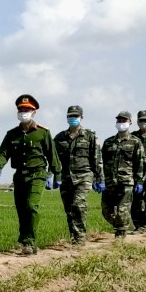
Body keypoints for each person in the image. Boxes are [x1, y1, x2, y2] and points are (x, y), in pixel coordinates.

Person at [0, 94, 60, 255]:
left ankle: (30, 242)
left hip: (37, 174)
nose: (24, 112)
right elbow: (3, 152)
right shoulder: (12, 134)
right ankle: (24, 241)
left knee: (31, 206)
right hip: (20, 176)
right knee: (21, 209)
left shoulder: (42, 133)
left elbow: (52, 154)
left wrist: (57, 174)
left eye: (27, 110)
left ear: (34, 112)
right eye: (21, 109)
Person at [53, 105, 102, 245]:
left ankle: (80, 237)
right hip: (66, 177)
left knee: (78, 205)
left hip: (84, 176)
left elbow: (97, 158)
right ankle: (74, 237)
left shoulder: (89, 136)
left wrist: (100, 178)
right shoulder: (60, 137)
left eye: (76, 116)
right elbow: (54, 159)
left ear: (81, 117)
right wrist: (51, 175)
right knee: (69, 209)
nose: (73, 118)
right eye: (70, 116)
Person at [100, 111, 145, 240]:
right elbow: (102, 161)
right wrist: (100, 179)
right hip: (110, 182)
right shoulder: (108, 142)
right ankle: (122, 225)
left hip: (126, 181)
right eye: (119, 120)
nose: (121, 123)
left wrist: (140, 181)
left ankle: (120, 234)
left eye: (124, 120)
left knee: (122, 210)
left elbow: (140, 163)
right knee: (106, 210)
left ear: (130, 122)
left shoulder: (135, 142)